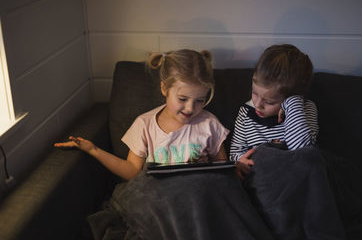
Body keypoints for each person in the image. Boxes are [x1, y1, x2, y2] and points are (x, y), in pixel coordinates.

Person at [54, 49, 229, 181]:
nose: (190, 108)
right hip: (160, 198)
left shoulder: (209, 124)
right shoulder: (145, 124)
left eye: (200, 100)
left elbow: (223, 172)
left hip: (199, 194)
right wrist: (94, 150)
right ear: (164, 89)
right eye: (183, 99)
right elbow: (131, 171)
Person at [229, 43, 319, 178]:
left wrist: (292, 103)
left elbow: (301, 151)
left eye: (269, 102)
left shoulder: (305, 109)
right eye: (254, 93)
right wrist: (240, 161)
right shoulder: (246, 113)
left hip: (292, 176)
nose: (258, 104)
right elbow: (235, 152)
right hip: (260, 176)